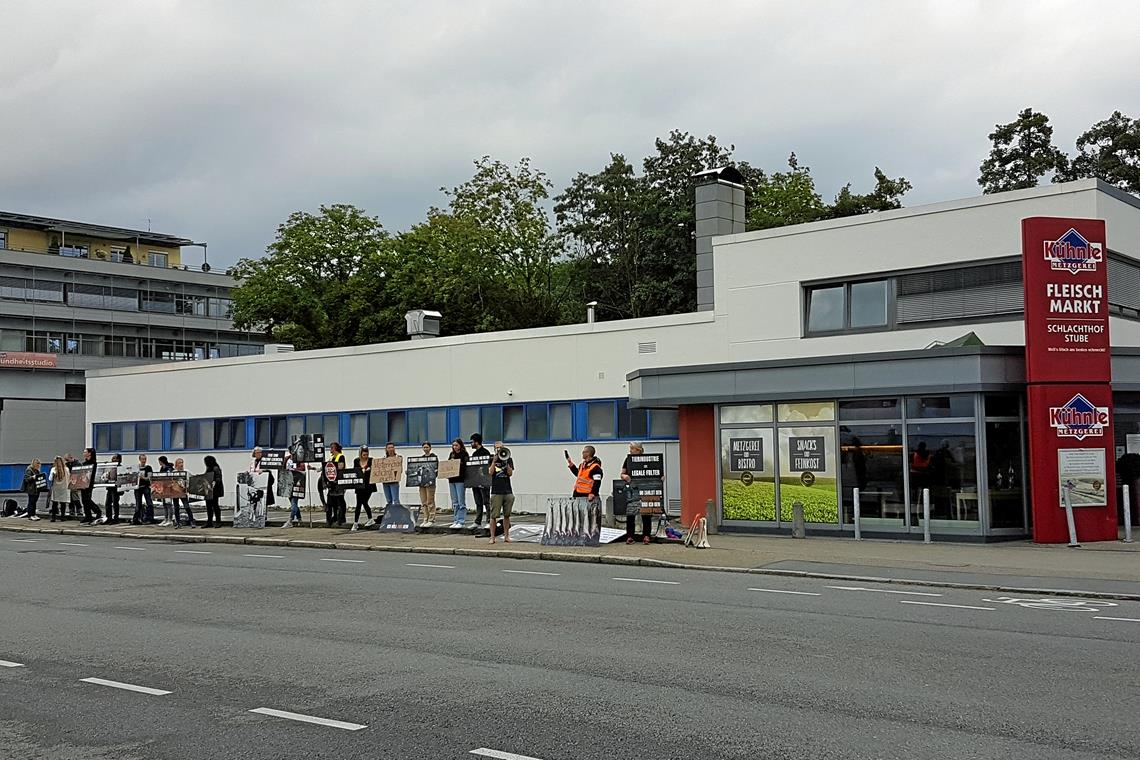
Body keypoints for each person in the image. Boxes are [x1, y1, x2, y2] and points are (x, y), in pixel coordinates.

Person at [621, 442, 653, 545]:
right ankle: (630, 536)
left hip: (645, 489)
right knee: (630, 513)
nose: (630, 450)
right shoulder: (627, 460)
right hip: (632, 489)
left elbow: (657, 472)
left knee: (646, 513)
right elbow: (622, 473)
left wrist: (660, 478)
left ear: (638, 450)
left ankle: (646, 535)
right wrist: (624, 476)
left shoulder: (648, 459)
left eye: (632, 449)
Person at [488, 442, 513, 544]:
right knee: (494, 515)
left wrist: (506, 462)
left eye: (501, 448)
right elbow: (490, 472)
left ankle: (506, 536)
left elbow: (510, 473)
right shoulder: (491, 459)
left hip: (507, 490)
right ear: (494, 449)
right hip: (496, 491)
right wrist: (494, 461)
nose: (499, 450)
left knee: (507, 515)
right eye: (497, 448)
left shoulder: (509, 459)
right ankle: (492, 537)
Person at [467, 433, 492, 528]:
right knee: (478, 502)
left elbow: (487, 468)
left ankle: (489, 521)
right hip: (475, 481)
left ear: (476, 442)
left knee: (486, 501)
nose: (471, 444)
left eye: (472, 442)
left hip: (484, 481)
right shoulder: (474, 454)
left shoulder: (485, 453)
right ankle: (477, 521)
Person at [351, 446, 376, 532]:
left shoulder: (371, 460)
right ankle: (356, 522)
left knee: (364, 501)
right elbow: (354, 471)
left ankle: (369, 519)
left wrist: (370, 469)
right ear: (361, 454)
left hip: (369, 485)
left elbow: (375, 470)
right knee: (359, 504)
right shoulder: (356, 461)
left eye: (367, 454)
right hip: (359, 485)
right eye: (364, 455)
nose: (366, 456)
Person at [324, 442, 347, 527]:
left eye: (331, 448)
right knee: (331, 502)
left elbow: (341, 467)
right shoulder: (332, 458)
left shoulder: (340, 457)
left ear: (335, 448)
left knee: (340, 501)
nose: (330, 450)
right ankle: (332, 519)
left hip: (338, 483)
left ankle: (341, 518)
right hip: (331, 483)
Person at [447, 439, 468, 528]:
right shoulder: (452, 455)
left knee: (461, 501)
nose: (455, 447)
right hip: (452, 480)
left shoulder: (464, 454)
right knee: (454, 501)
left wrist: (458, 464)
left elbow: (466, 466)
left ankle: (461, 520)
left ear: (460, 445)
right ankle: (456, 520)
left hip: (460, 480)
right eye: (453, 445)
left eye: (456, 445)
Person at [77, 448, 102, 524]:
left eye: (85, 452)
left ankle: (97, 511)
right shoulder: (84, 463)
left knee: (87, 499)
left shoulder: (93, 463)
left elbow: (92, 474)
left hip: (89, 484)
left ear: (89, 453)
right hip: (83, 483)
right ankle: (88, 516)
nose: (83, 453)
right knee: (84, 500)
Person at [417, 442, 439, 527]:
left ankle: (431, 519)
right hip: (422, 483)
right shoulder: (421, 458)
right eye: (424, 447)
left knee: (430, 500)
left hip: (430, 482)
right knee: (423, 501)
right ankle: (425, 518)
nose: (425, 449)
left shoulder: (434, 457)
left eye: (427, 447)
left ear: (430, 448)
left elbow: (436, 469)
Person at [282, 452, 305, 528]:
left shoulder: (299, 460)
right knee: (293, 502)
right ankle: (299, 519)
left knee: (294, 501)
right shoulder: (287, 459)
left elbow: (302, 469)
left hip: (296, 483)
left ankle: (290, 520)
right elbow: (282, 467)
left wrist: (293, 469)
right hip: (288, 482)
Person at [133, 454, 155, 525]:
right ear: (139, 459)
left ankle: (150, 518)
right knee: (138, 504)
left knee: (149, 502)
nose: (144, 461)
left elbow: (149, 477)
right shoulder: (136, 468)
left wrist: (142, 478)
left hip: (145, 487)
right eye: (142, 459)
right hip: (138, 487)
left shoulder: (148, 468)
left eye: (145, 459)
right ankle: (137, 518)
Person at [202, 455, 224, 528]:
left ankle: (218, 521)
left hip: (215, 490)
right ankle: (209, 521)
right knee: (208, 506)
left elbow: (218, 478)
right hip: (209, 490)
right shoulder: (209, 468)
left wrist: (214, 482)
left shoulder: (215, 468)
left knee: (215, 505)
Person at [101, 454, 123, 525]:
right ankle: (109, 518)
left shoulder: (120, 468)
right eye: (112, 458)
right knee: (107, 503)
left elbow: (122, 478)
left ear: (118, 460)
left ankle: (116, 518)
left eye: (114, 458)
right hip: (110, 487)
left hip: (116, 488)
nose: (112, 459)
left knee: (115, 503)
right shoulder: (110, 467)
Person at [173, 457, 194, 528]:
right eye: (179, 463)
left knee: (187, 507)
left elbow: (191, 479)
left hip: (183, 492)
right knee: (176, 508)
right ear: (176, 464)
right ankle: (178, 523)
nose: (181, 464)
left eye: (182, 462)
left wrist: (187, 487)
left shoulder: (186, 472)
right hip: (175, 492)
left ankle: (192, 521)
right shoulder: (173, 473)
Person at [381, 443, 402, 509]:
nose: (391, 449)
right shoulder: (383, 459)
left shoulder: (398, 458)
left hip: (394, 481)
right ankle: (391, 515)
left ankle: (398, 514)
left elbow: (400, 470)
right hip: (385, 482)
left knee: (395, 500)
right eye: (389, 448)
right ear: (386, 449)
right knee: (389, 500)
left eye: (392, 447)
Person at [49, 456, 70, 522]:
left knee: (55, 503)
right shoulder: (66, 469)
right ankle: (62, 517)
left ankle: (53, 517)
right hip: (64, 488)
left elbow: (50, 479)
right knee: (63, 503)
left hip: (56, 488)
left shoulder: (53, 469)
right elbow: (69, 477)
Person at [157, 456, 175, 527]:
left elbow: (169, 477)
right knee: (164, 504)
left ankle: (170, 519)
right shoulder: (162, 468)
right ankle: (165, 518)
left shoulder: (169, 468)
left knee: (169, 504)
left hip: (168, 488)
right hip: (163, 487)